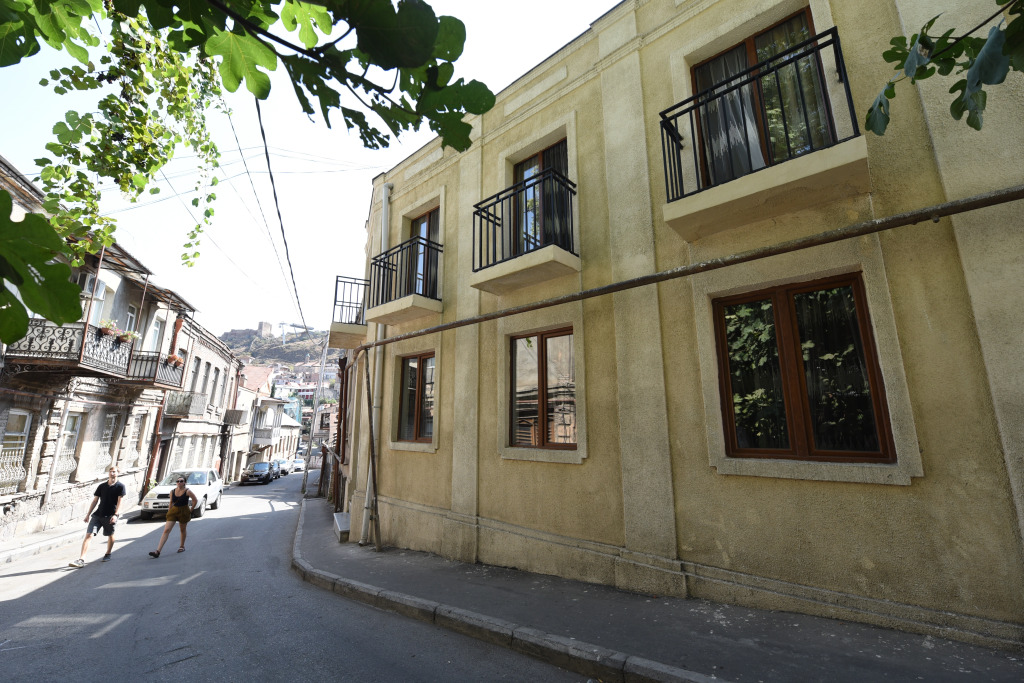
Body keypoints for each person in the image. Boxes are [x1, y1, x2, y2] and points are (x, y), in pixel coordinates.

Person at [69, 466, 125, 568]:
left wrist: (116, 515)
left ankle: (108, 553)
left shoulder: (120, 487)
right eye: (110, 471)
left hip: (110, 516)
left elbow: (120, 502)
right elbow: (95, 501)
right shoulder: (102, 486)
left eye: (114, 472)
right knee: (89, 535)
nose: (112, 473)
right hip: (97, 516)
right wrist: (88, 515)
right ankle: (81, 559)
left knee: (110, 535)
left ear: (118, 473)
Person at [149, 475, 198, 558]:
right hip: (173, 511)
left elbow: (195, 500)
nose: (179, 482)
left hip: (183, 511)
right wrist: (169, 511)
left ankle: (182, 546)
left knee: (182, 529)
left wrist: (190, 510)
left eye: (181, 481)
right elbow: (171, 502)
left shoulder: (188, 491)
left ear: (184, 483)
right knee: (166, 530)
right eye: (178, 481)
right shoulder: (172, 491)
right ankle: (158, 551)